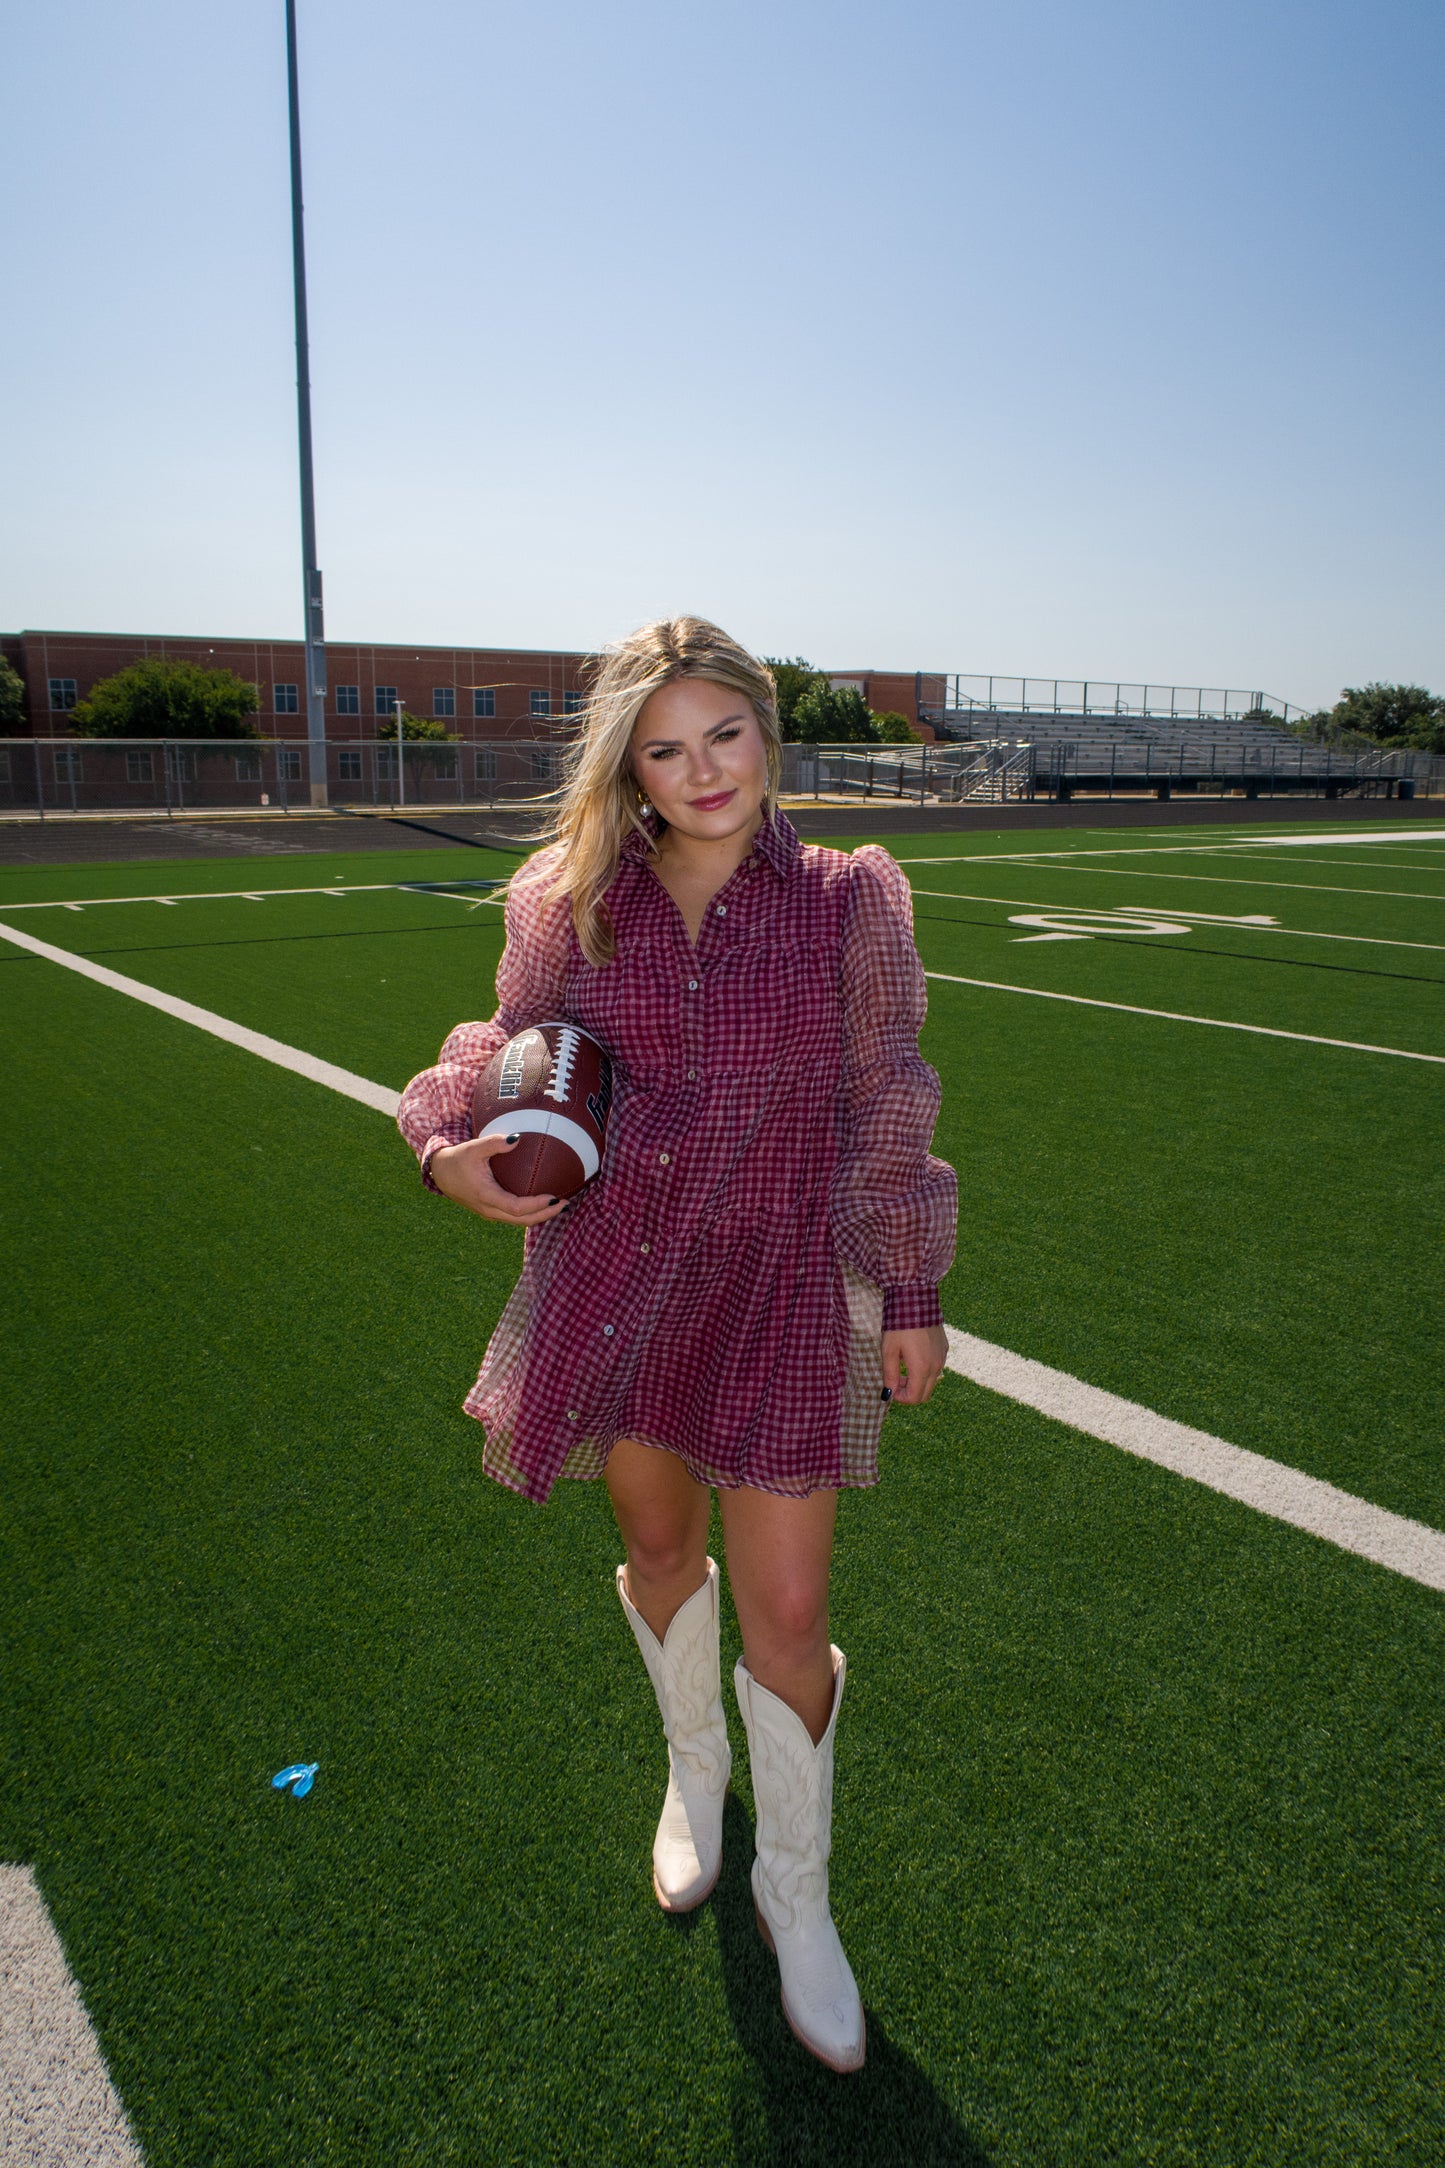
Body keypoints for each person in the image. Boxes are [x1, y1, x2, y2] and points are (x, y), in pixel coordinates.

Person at [398, 618, 956, 2073]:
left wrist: (906, 1290)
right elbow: (502, 1043)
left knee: (788, 1618)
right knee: (658, 1555)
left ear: (767, 732)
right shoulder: (570, 894)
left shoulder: (848, 897)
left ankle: (797, 1896)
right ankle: (690, 1778)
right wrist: (446, 1142)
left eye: (724, 734)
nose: (701, 771)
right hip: (620, 1278)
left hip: (778, 1283)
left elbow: (886, 1093)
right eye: (664, 746)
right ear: (627, 766)